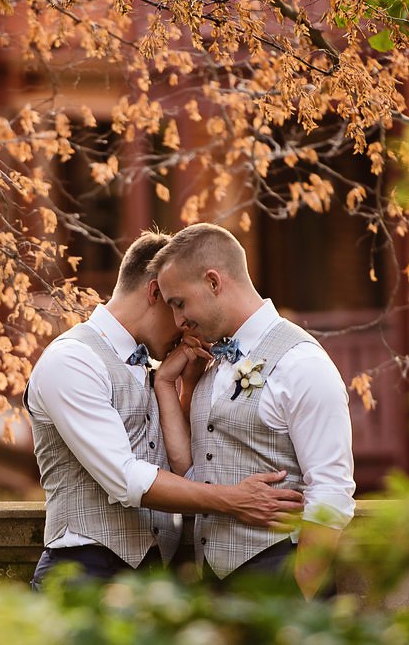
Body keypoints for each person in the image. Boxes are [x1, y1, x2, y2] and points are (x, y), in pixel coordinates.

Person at [26, 230, 303, 590]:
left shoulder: (148, 369)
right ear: (155, 292)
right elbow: (125, 478)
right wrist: (233, 500)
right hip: (82, 573)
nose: (186, 323)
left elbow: (182, 468)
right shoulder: (71, 360)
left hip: (153, 579)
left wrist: (174, 388)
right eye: (178, 305)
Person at [150, 223, 356, 599]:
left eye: (179, 303)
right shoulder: (211, 367)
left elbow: (332, 491)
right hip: (215, 587)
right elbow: (194, 472)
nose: (179, 321)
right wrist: (170, 386)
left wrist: (301, 593)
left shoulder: (302, 363)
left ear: (214, 282)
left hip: (281, 583)